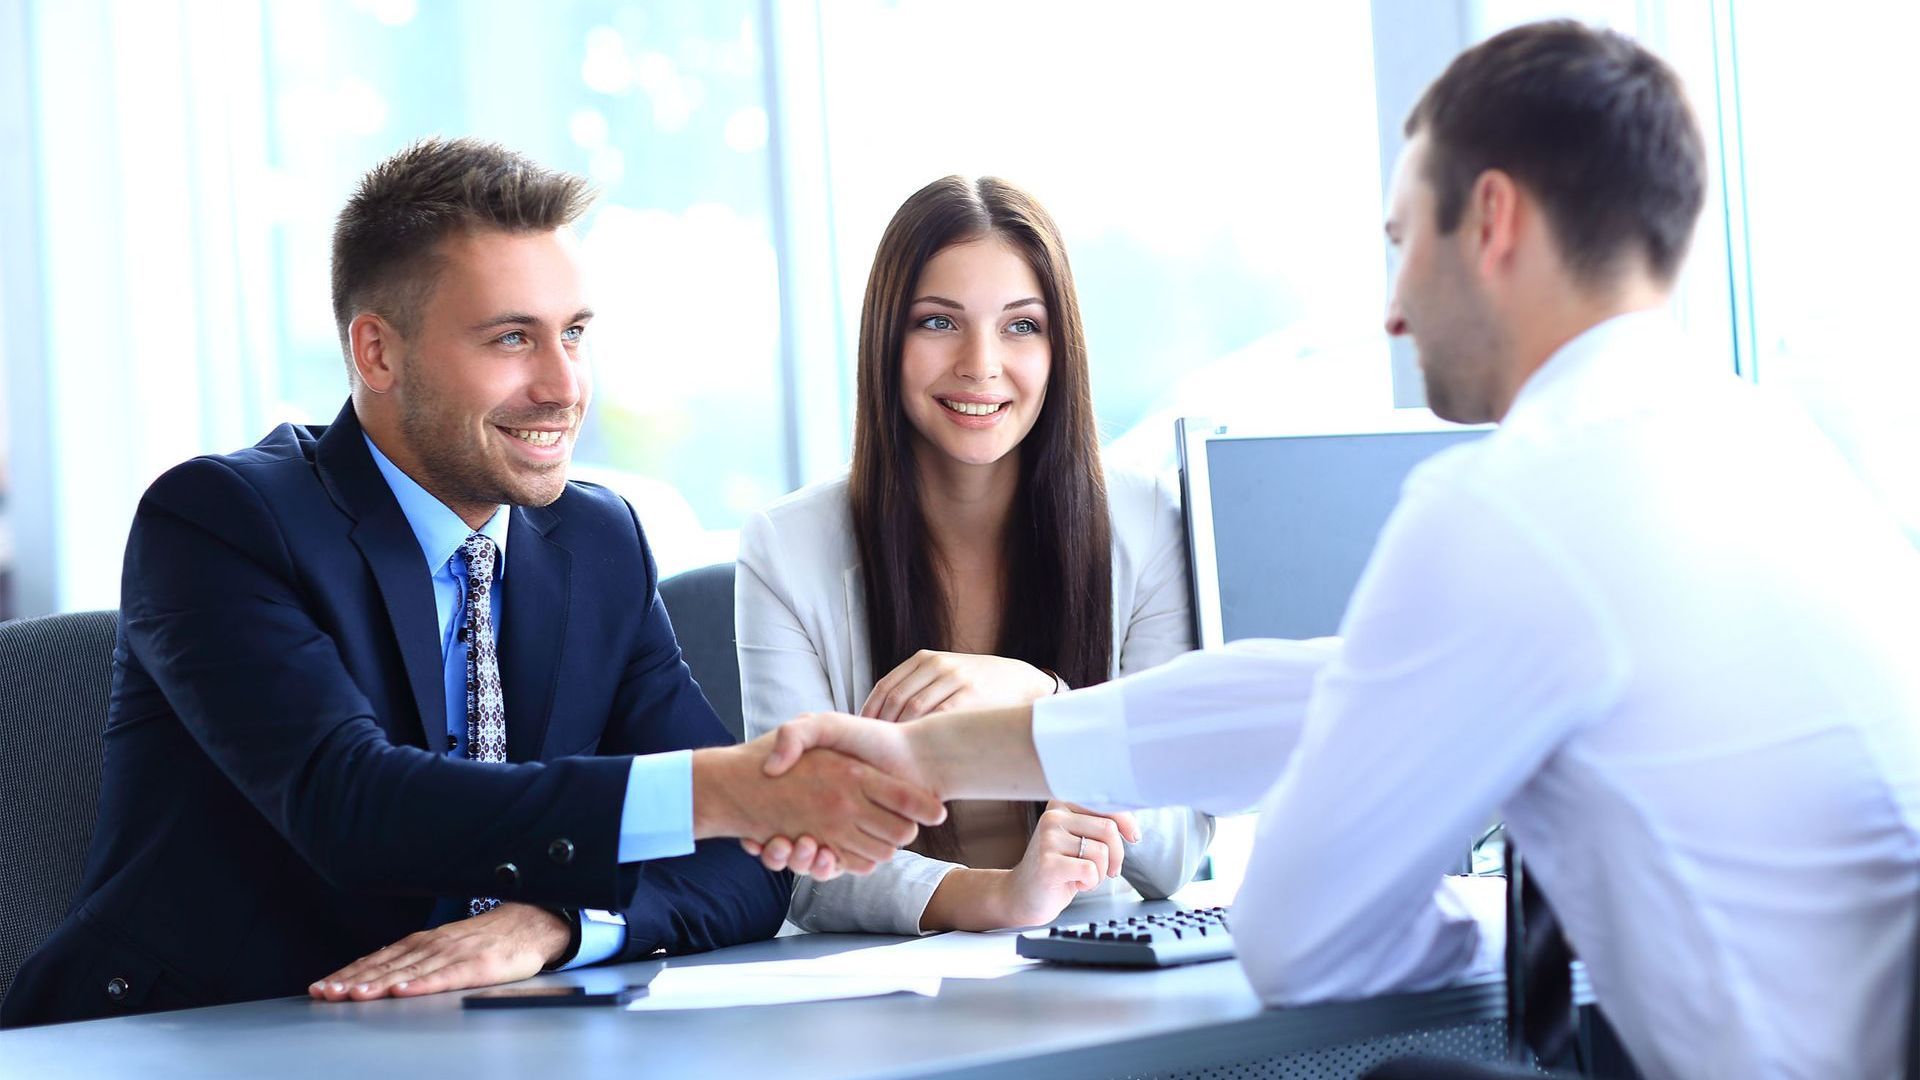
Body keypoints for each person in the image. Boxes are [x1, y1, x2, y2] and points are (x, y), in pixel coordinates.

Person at [750, 21, 1920, 1078]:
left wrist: (1509, 911)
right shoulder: (1767, 449)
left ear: (1495, 221)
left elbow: (1304, 935)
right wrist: (935, 758)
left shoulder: (1510, 506)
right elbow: (1327, 692)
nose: (1395, 307)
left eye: (1404, 238)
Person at [0, 138, 943, 1028]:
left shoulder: (595, 541)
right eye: (511, 340)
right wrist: (717, 789)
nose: (564, 384)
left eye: (574, 332)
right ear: (377, 352)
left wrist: (557, 925)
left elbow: (743, 868)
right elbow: (354, 804)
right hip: (205, 1035)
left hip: (489, 1036)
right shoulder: (222, 521)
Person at [734, 176, 1212, 934]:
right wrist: (1001, 899)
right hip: (889, 991)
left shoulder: (1149, 521)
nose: (981, 364)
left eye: (1021, 327)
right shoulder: (786, 547)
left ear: (1061, 349)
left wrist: (1042, 701)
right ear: (888, 340)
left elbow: (1176, 846)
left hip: (1101, 967)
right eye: (938, 323)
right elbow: (806, 863)